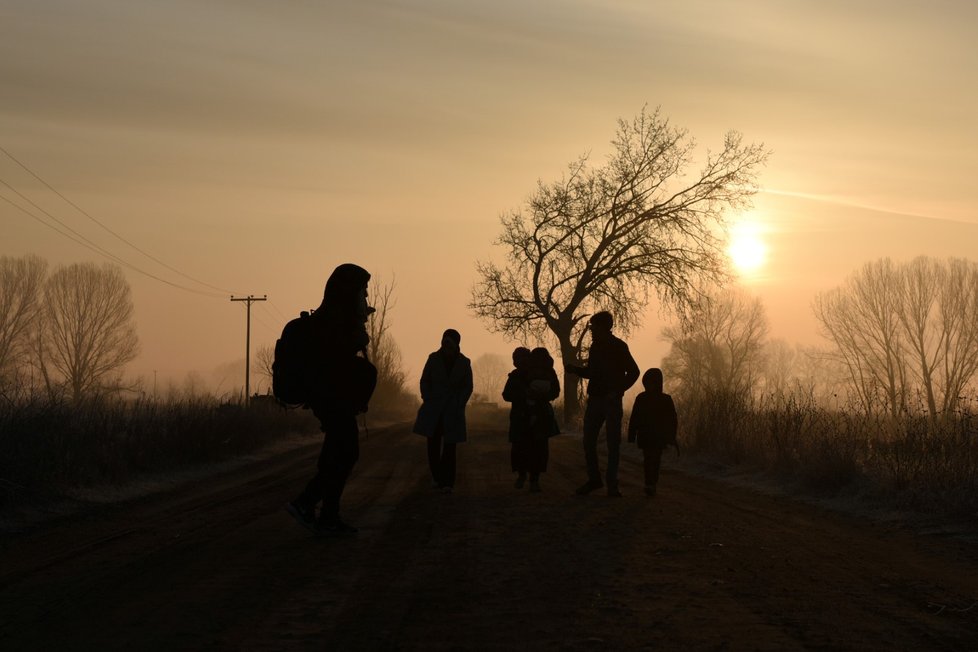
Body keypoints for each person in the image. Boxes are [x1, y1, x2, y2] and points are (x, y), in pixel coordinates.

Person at [285, 263, 377, 535]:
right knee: (346, 453)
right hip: (331, 399)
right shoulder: (332, 320)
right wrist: (358, 334)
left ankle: (327, 516)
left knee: (337, 455)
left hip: (332, 399)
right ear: (351, 291)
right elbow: (334, 361)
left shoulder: (334, 316)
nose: (366, 297)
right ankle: (308, 504)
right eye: (363, 291)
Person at [566, 311, 640, 497]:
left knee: (612, 444)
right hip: (597, 400)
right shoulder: (596, 347)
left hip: (611, 401)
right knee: (589, 441)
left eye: (594, 326)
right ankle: (596, 481)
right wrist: (576, 370)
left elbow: (634, 372)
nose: (591, 330)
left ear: (604, 327)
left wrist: (617, 391)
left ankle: (610, 484)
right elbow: (592, 372)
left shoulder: (619, 347)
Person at [413, 329, 473, 492]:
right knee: (432, 444)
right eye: (444, 342)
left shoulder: (464, 362)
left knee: (450, 446)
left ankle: (448, 482)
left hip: (452, 409)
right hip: (434, 408)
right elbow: (425, 380)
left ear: (456, 344)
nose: (446, 345)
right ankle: (437, 477)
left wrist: (459, 403)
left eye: (449, 342)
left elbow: (468, 387)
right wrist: (428, 398)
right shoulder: (433, 359)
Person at [503, 346, 560, 492]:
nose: (518, 362)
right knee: (532, 449)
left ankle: (529, 478)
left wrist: (535, 396)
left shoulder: (522, 374)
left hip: (528, 417)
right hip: (530, 417)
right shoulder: (543, 372)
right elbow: (507, 395)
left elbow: (507, 395)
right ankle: (530, 479)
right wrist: (526, 395)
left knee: (530, 448)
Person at [627, 368, 678, 497]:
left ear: (657, 383)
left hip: (658, 437)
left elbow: (672, 420)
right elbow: (635, 418)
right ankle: (649, 483)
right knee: (648, 460)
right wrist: (632, 435)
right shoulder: (641, 398)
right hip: (646, 436)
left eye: (652, 383)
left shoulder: (665, 400)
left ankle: (652, 483)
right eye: (647, 383)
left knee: (655, 460)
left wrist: (671, 436)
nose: (649, 386)